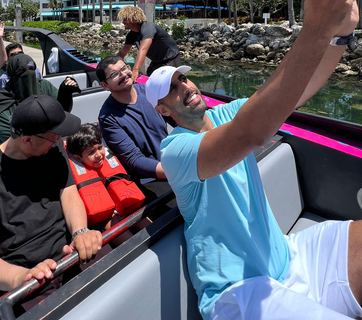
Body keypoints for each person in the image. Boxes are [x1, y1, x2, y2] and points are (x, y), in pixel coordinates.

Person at [145, 1, 362, 319]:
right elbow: (250, 134)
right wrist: (315, 28)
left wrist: (340, 32)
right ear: (163, 110)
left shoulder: (226, 113)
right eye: (172, 89)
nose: (185, 87)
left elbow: (298, 89)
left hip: (288, 255)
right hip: (238, 291)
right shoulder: (175, 150)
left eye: (184, 80)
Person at [0, 94, 103, 311]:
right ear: (27, 139)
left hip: (69, 256)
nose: (60, 140)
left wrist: (80, 232)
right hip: (27, 276)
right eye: (54, 137)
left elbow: (68, 193)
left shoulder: (52, 148)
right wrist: (22, 276)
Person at [96, 56, 174, 182]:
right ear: (105, 85)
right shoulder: (108, 117)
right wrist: (176, 172)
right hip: (149, 178)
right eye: (115, 74)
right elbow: (134, 160)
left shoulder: (149, 92)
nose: (123, 74)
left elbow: (177, 119)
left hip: (173, 160)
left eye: (124, 68)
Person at [0, 53, 81, 142]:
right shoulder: (4, 97)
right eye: (22, 70)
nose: (28, 73)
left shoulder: (43, 85)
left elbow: (61, 112)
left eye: (31, 69)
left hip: (52, 142)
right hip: (21, 151)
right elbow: (5, 132)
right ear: (12, 73)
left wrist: (65, 91)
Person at [117, 6, 180, 81]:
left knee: (169, 82)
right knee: (150, 78)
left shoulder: (148, 28)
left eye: (125, 19)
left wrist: (135, 70)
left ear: (134, 18)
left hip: (170, 59)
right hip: (156, 61)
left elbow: (143, 49)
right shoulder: (131, 35)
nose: (123, 22)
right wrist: (109, 64)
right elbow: (122, 53)